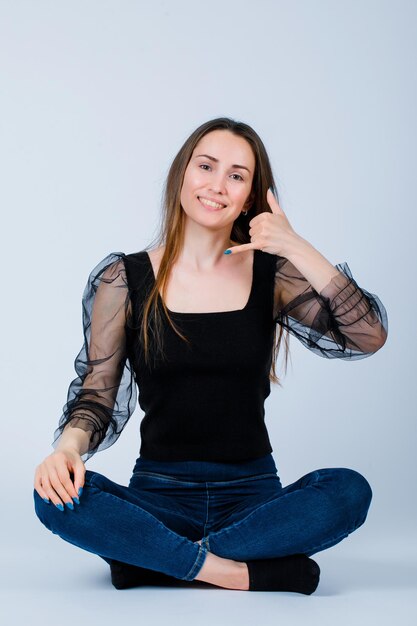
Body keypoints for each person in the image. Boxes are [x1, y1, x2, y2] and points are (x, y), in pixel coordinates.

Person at [33, 117, 388, 594]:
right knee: (53, 497)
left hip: (253, 498)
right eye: (207, 166)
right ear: (183, 173)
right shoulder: (124, 279)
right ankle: (242, 572)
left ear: (251, 197)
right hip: (158, 496)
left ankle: (151, 560)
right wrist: (65, 451)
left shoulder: (273, 274)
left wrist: (296, 245)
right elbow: (97, 397)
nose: (217, 185)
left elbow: (367, 335)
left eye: (237, 175)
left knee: (348, 491)